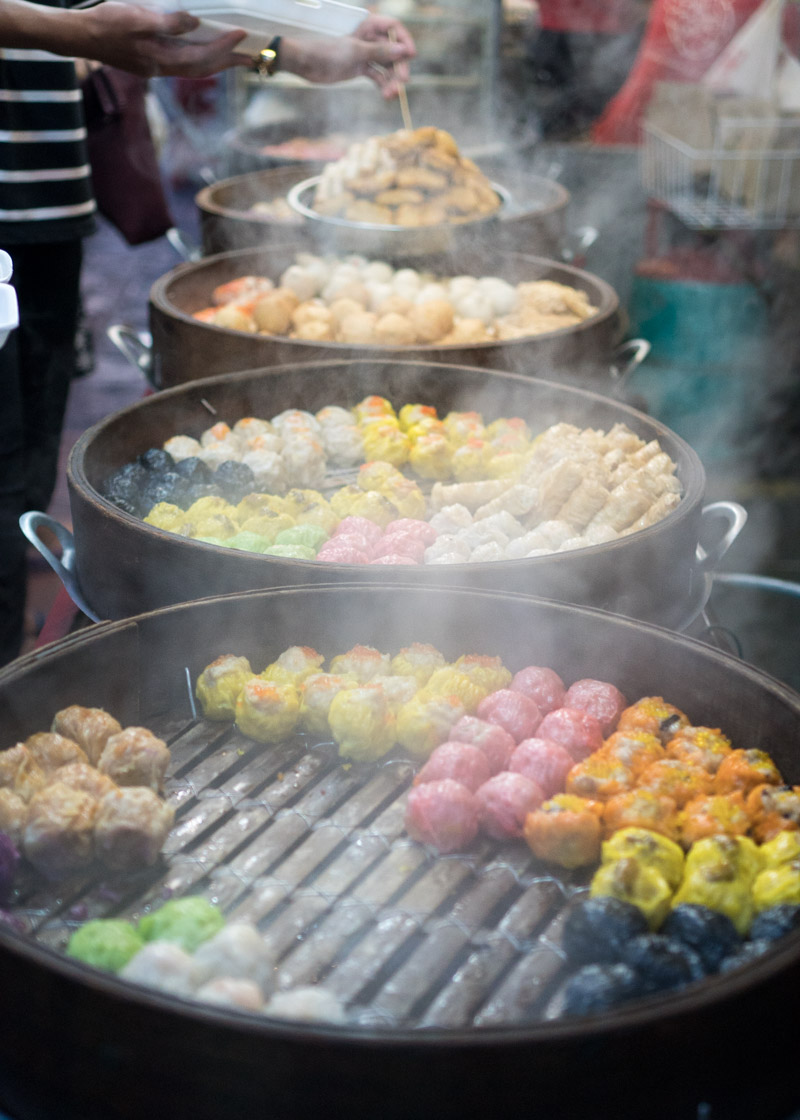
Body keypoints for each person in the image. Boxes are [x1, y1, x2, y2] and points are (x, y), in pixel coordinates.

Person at [0, 3, 415, 669]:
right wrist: (75, 35)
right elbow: (85, 22)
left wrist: (293, 43)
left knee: (17, 484)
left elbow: (154, 14)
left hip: (47, 200)